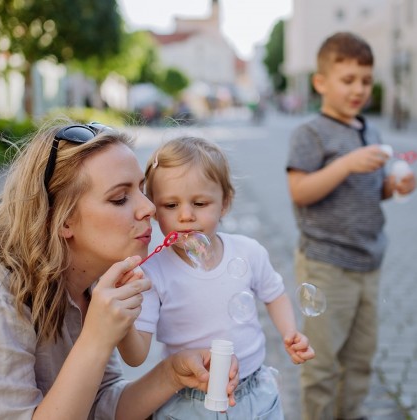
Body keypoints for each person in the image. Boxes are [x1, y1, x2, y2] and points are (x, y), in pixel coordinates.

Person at [0, 119, 239, 420]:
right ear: (61, 220)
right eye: (120, 198)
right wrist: (96, 338)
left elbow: (100, 405)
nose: (149, 208)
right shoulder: (4, 298)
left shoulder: (90, 281)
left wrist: (172, 373)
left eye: (141, 189)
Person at [117, 136, 315, 419]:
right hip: (188, 399)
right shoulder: (152, 273)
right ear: (153, 210)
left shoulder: (248, 252)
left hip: (254, 391)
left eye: (199, 203)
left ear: (224, 203)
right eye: (170, 205)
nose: (185, 215)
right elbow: (135, 356)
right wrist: (122, 316)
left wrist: (289, 332)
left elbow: (275, 295)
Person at [286, 32, 416, 420]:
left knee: (361, 359)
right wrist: (345, 164)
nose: (359, 89)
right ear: (321, 82)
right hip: (327, 266)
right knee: (322, 365)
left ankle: (352, 413)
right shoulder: (310, 133)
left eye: (365, 79)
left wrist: (395, 186)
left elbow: (370, 192)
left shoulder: (369, 130)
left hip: (368, 264)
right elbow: (300, 191)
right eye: (348, 80)